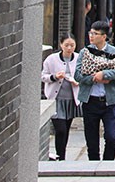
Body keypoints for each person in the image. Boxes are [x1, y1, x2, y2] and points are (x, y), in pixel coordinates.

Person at [75, 20, 115, 161]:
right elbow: (77, 75)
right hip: (90, 101)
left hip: (108, 101)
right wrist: (94, 78)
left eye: (95, 34)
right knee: (91, 139)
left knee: (111, 137)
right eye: (90, 33)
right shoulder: (85, 52)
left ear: (104, 36)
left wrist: (105, 74)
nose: (91, 36)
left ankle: (108, 164)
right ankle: (93, 165)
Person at [42, 33, 82, 161]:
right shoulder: (51, 59)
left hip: (71, 100)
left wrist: (78, 81)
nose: (69, 48)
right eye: (66, 45)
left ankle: (61, 156)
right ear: (61, 45)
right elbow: (43, 76)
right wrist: (55, 77)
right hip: (56, 99)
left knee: (66, 129)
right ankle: (61, 156)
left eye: (72, 45)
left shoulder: (79, 58)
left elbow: (84, 75)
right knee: (60, 130)